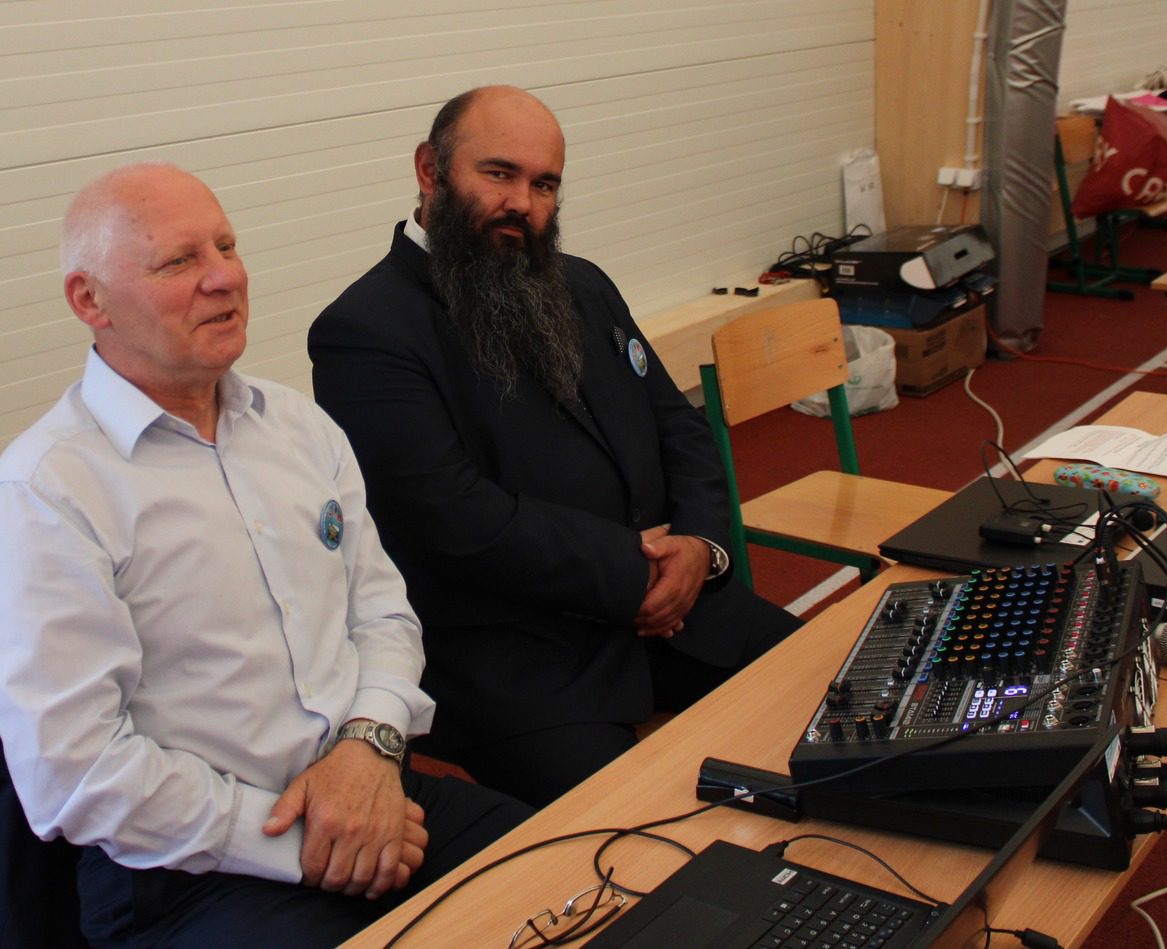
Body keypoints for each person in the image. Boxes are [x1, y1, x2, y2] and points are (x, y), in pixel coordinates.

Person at [0, 163, 527, 947]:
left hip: (367, 783)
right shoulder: (42, 498)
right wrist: (308, 836)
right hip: (189, 870)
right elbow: (80, 775)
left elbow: (382, 614)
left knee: (581, 867)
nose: (225, 277)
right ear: (90, 301)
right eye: (180, 261)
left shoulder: (297, 427)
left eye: (226, 246)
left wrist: (370, 746)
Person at [307, 87, 799, 806]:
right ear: (430, 170)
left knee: (835, 698)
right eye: (498, 174)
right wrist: (633, 571)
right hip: (522, 658)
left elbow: (679, 426)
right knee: (638, 826)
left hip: (677, 608)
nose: (523, 204)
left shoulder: (583, 285)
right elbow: (451, 517)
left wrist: (701, 546)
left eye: (544, 184)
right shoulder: (365, 330)